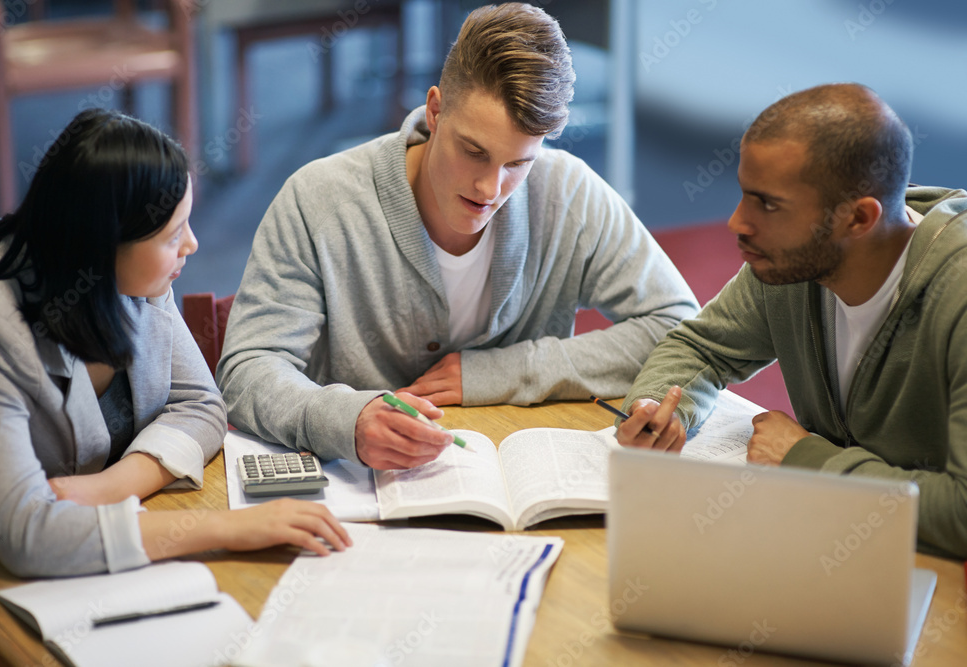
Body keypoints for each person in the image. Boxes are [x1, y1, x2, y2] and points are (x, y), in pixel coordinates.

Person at [217, 2, 698, 470]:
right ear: (435, 110)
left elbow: (678, 329)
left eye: (517, 164)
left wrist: (504, 372)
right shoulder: (318, 199)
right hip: (359, 499)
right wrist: (347, 419)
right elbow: (248, 369)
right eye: (473, 151)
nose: (490, 189)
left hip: (521, 481)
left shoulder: (568, 191)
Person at [0, 109, 351, 578]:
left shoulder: (134, 280)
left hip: (118, 535)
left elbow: (204, 405)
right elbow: (20, 536)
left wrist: (109, 488)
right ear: (102, 244)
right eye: (173, 235)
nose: (191, 244)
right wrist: (224, 529)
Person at [616, 83, 967, 560]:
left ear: (859, 219)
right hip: (832, 548)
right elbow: (702, 349)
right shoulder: (790, 266)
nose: (736, 222)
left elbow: (961, 514)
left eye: (768, 204)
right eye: (744, 195)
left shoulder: (958, 297)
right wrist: (661, 408)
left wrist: (807, 461)